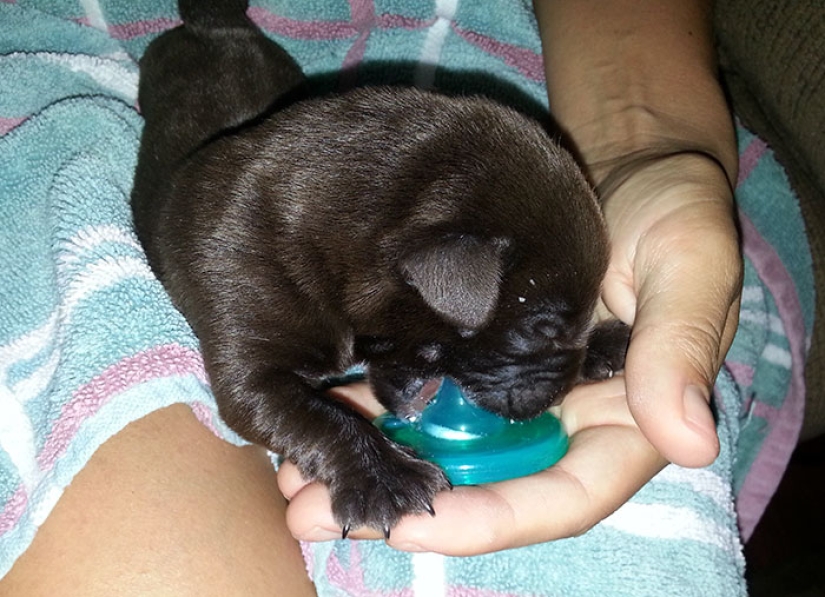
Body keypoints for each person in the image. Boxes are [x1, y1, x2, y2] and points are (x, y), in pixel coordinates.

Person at [0, 0, 742, 594]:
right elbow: (252, 388)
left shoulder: (387, 252)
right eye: (548, 329)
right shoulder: (246, 258)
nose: (556, 350)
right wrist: (358, 458)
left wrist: (639, 152)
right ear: (439, 271)